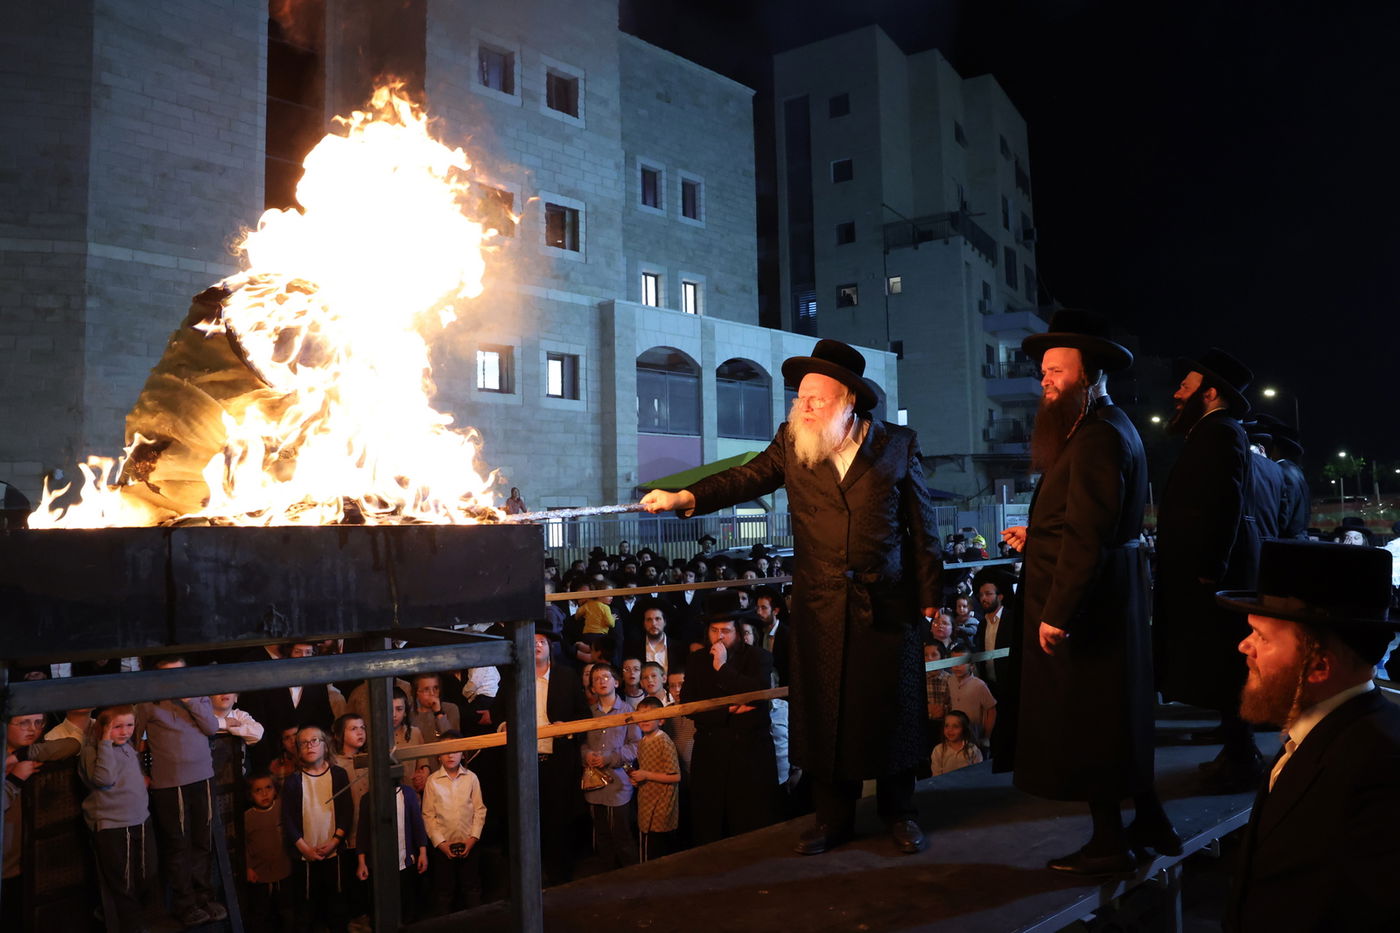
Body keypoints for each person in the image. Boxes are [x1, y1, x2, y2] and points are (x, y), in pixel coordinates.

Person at [642, 338, 942, 856]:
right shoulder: (793, 441)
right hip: (822, 605)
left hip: (886, 603)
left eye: (815, 399)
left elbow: (924, 526)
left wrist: (930, 596)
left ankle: (901, 812)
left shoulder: (897, 444)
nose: (802, 407)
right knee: (828, 714)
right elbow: (746, 477)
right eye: (799, 397)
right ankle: (833, 819)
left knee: (891, 711)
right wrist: (686, 496)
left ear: (848, 400)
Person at [1001, 312, 1177, 874]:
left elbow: (1091, 532)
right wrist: (1038, 532)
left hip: (1088, 603)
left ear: (1090, 376)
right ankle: (1149, 819)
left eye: (1057, 370)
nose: (1045, 380)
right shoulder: (1094, 426)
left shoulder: (1099, 434)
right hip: (1105, 593)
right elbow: (1086, 516)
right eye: (1044, 370)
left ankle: (1109, 843)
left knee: (1091, 720)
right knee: (1114, 715)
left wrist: (1058, 613)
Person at [1216, 540, 1400, 932]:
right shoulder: (1311, 733)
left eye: (1262, 637)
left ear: (1318, 666)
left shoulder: (1383, 769)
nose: (1243, 646)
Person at [1153, 347, 1265, 793]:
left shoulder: (1220, 432)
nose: (1177, 393)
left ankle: (1242, 759)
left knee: (1225, 664)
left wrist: (1209, 568)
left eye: (1186, 385)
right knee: (1219, 665)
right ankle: (1237, 753)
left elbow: (1225, 502)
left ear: (1211, 393)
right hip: (1211, 574)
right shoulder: (1211, 431)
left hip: (1215, 578)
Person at [682, 596, 778, 844]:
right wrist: (727, 711)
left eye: (726, 631)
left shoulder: (759, 657)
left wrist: (722, 668)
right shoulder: (696, 660)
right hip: (711, 752)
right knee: (711, 824)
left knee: (750, 824)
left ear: (738, 632)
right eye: (714, 631)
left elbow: (757, 697)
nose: (719, 637)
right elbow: (688, 705)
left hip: (749, 755)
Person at [137, 657, 226, 925]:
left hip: (203, 777)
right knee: (178, 845)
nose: (174, 679)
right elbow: (134, 739)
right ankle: (184, 904)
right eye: (168, 674)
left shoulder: (196, 695)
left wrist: (189, 700)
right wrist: (141, 773)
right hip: (170, 782)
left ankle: (204, 898)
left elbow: (211, 727)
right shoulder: (147, 701)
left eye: (179, 673)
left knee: (202, 840)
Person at [78, 705, 149, 933]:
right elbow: (103, 778)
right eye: (117, 727)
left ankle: (140, 921)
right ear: (103, 728)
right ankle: (132, 927)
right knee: (123, 883)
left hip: (138, 819)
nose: (125, 731)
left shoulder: (127, 746)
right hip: (114, 824)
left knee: (144, 876)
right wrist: (105, 742)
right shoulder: (94, 750)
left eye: (129, 725)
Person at [281, 725, 352, 933]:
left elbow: (346, 811)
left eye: (315, 741)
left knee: (336, 903)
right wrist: (304, 848)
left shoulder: (338, 775)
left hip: (333, 851)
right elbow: (288, 819)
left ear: (325, 745)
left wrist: (335, 841)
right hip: (306, 854)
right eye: (304, 742)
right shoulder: (294, 780)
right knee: (306, 905)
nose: (309, 745)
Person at [581, 663, 640, 868]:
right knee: (602, 835)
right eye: (596, 679)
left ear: (616, 682)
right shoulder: (589, 712)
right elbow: (583, 743)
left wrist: (609, 757)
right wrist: (587, 754)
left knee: (621, 833)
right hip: (594, 782)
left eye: (606, 677)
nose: (601, 681)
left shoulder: (627, 711)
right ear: (592, 688)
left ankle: (633, 876)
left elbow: (636, 746)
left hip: (618, 782)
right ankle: (606, 877)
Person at [420, 735, 486, 913]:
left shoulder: (471, 778)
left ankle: (476, 922)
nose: (450, 755)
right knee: (443, 891)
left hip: (469, 843)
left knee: (472, 887)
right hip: (443, 846)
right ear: (438, 756)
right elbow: (428, 815)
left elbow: (479, 810)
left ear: (463, 754)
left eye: (455, 751)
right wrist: (440, 843)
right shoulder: (432, 781)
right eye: (445, 752)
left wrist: (473, 839)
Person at [355, 781, 429, 923]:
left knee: (407, 906)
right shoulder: (368, 798)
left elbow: (417, 825)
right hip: (378, 865)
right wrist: (361, 862)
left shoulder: (407, 794)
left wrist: (423, 852)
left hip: (404, 862)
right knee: (380, 910)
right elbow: (363, 832)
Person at [630, 696, 681, 861]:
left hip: (662, 802)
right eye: (641, 715)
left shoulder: (664, 742)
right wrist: (637, 779)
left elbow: (676, 776)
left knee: (658, 848)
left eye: (649, 715)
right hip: (646, 799)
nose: (644, 719)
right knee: (646, 845)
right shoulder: (642, 742)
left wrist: (646, 775)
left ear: (661, 720)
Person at [243, 772, 293, 933]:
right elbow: (243, 844)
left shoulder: (282, 808)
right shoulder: (247, 817)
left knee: (287, 912)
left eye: (268, 788)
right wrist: (248, 867)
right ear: (250, 795)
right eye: (258, 790)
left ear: (275, 790)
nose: (264, 794)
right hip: (260, 874)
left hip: (284, 871)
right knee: (261, 914)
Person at [971, 567, 1015, 697]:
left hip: (1010, 685)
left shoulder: (1011, 620)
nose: (984, 598)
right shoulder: (982, 624)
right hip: (990, 687)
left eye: (988, 594)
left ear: (1000, 596)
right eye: (981, 595)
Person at [930, 710, 983, 777]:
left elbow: (978, 774)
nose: (950, 730)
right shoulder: (938, 750)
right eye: (947, 726)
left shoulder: (973, 750)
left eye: (955, 726)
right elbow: (936, 776)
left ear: (964, 729)